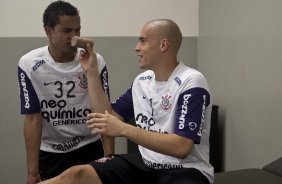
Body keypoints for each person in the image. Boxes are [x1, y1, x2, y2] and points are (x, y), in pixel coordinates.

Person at [39, 19, 214, 184]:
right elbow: (106, 117)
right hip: (146, 163)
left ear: (163, 45)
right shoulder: (142, 81)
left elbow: (182, 147)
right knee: (77, 175)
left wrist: (124, 129)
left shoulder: (191, 81)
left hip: (185, 169)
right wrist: (91, 71)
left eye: (143, 41)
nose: (137, 48)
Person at [17, 1, 114, 183]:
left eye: (77, 30)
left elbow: (105, 115)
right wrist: (32, 170)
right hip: (51, 152)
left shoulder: (96, 60)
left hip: (89, 147)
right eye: (66, 31)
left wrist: (110, 159)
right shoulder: (29, 64)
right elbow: (32, 118)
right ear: (48, 31)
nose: (74, 37)